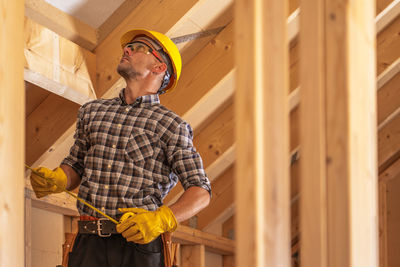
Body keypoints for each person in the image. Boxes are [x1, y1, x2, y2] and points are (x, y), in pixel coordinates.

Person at [30, 29, 212, 267]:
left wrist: (162, 219)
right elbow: (75, 166)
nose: (126, 49)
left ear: (159, 68)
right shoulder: (92, 112)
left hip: (139, 248)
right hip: (87, 243)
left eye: (138, 47)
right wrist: (58, 178)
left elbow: (201, 191)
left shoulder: (171, 125)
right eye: (128, 47)